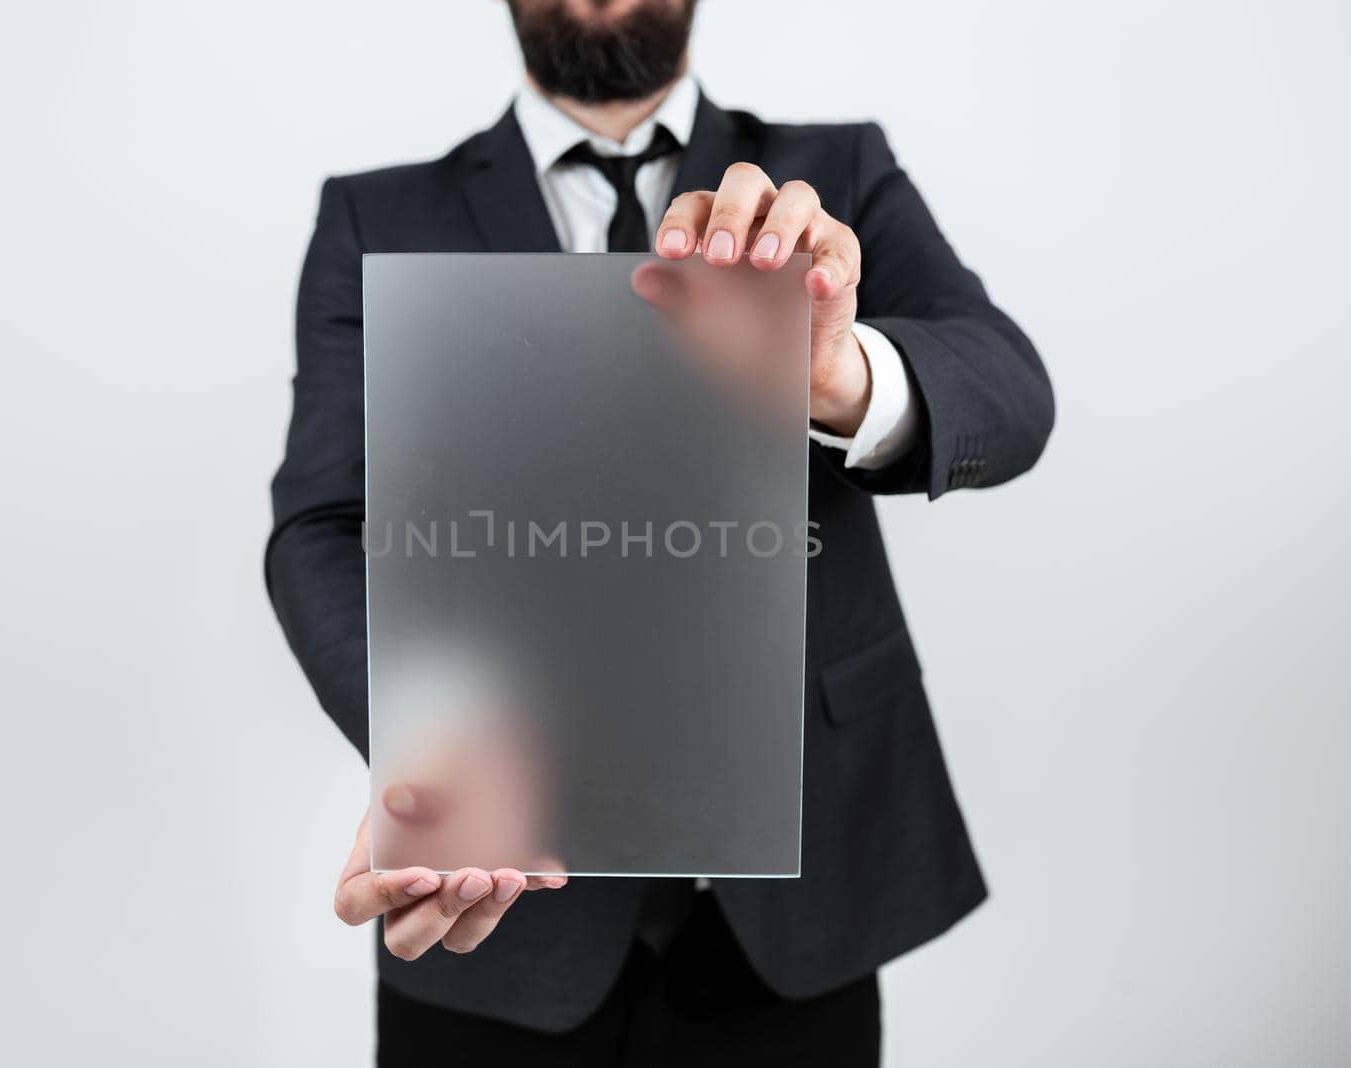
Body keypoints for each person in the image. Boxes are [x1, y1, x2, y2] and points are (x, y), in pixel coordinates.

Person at [266, 0, 1054, 1062]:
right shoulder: (376, 214)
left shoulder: (838, 171)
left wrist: (836, 374)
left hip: (799, 900)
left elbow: (1007, 395)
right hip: (496, 913)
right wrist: (431, 753)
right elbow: (321, 523)